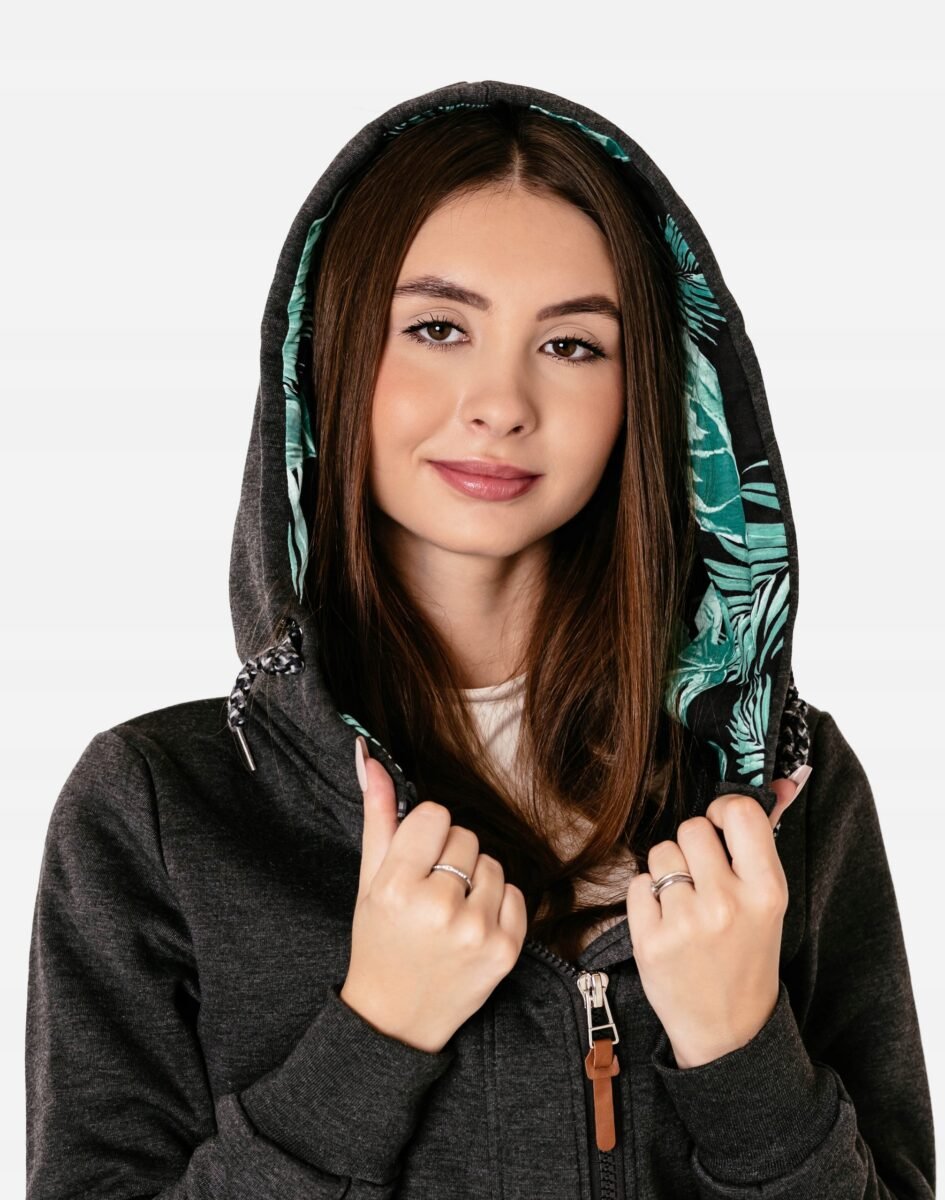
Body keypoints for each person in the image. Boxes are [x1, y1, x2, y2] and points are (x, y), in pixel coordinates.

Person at [25, 78, 935, 1200]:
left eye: (573, 346)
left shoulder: (785, 791)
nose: (500, 402)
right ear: (329, 354)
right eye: (438, 328)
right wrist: (376, 1033)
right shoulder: (161, 808)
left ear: (654, 392)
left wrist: (742, 1053)